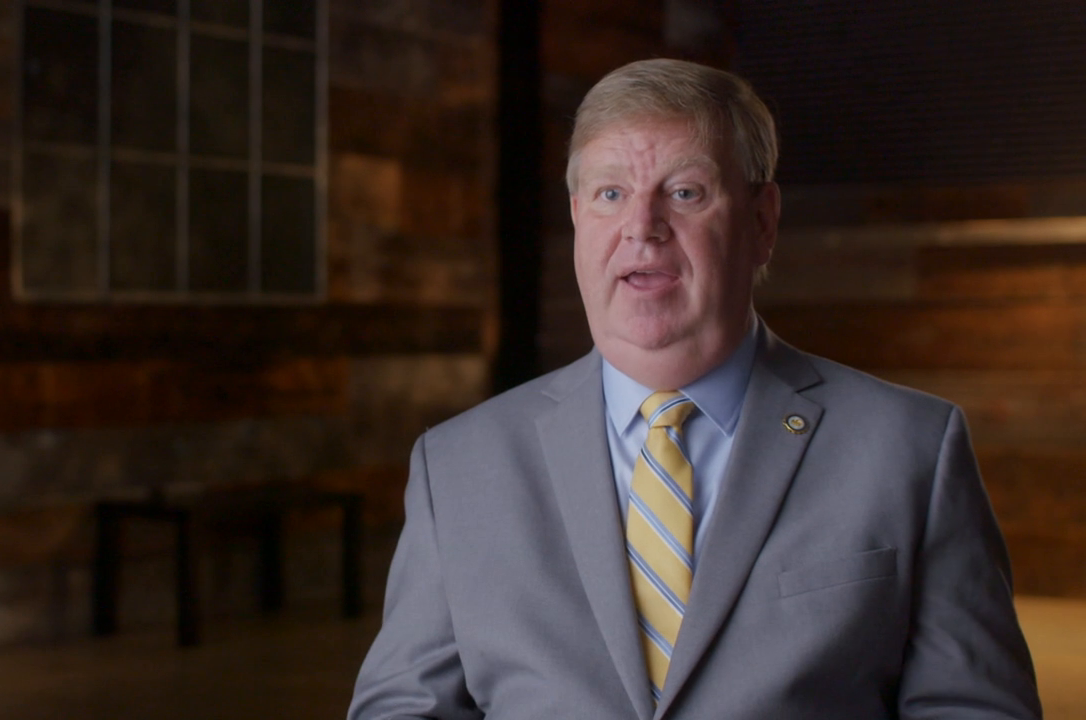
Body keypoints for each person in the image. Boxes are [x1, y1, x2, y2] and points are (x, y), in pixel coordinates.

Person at [348, 58, 1041, 719]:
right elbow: (404, 708)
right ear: (577, 215)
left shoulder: (911, 449)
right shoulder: (457, 465)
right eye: (611, 193)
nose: (641, 228)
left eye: (685, 193)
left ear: (762, 222)